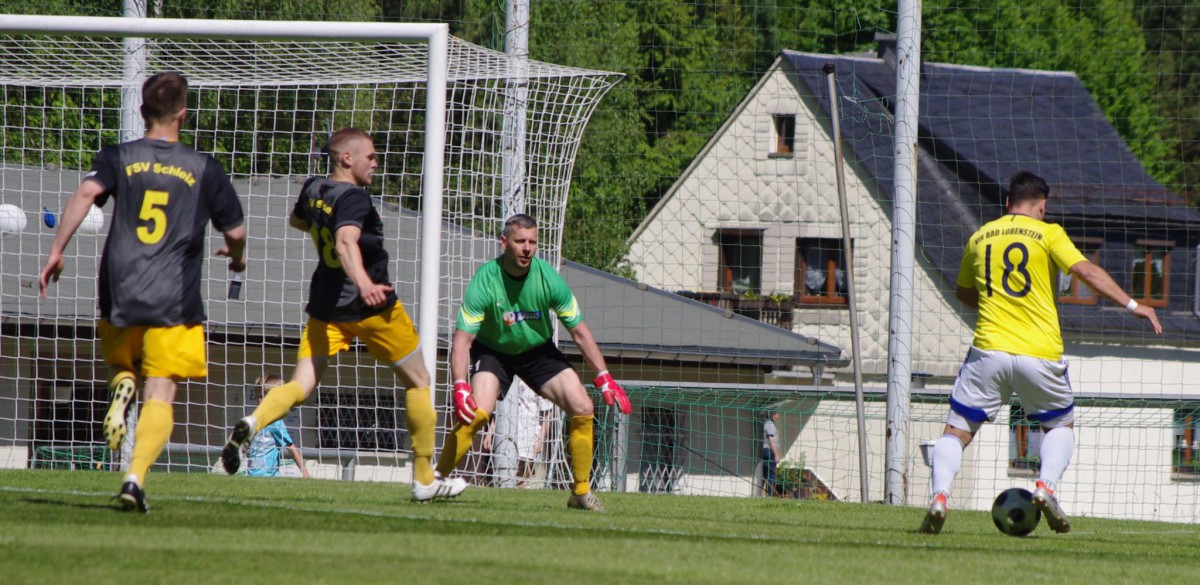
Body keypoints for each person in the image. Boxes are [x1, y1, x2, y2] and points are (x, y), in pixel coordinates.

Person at [38, 72, 247, 513]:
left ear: (141, 112)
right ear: (183, 114)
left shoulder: (120, 156)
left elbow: (86, 192)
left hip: (119, 286)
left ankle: (121, 387)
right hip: (174, 299)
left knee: (121, 366)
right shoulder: (204, 168)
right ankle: (134, 478)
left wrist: (56, 252)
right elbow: (237, 230)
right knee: (161, 393)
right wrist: (237, 256)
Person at [218, 127, 463, 502]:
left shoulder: (314, 189)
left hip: (325, 306)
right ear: (347, 159)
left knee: (300, 386)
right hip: (371, 307)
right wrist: (364, 283)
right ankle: (425, 479)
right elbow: (347, 242)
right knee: (418, 380)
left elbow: (297, 221)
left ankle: (253, 422)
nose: (376, 163)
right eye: (371, 156)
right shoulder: (355, 199)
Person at [920, 171, 1162, 535]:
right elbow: (1086, 271)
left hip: (988, 350)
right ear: (1043, 206)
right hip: (1040, 352)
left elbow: (964, 292)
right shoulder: (1048, 232)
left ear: (1007, 203)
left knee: (956, 431)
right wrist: (1134, 304)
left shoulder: (980, 236)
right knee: (1060, 426)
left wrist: (995, 304)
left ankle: (939, 497)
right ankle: (1045, 487)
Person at [436, 213, 632, 511]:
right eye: (520, 241)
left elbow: (579, 332)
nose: (527, 248)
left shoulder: (548, 278)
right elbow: (462, 341)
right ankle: (435, 480)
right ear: (504, 242)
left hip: (537, 350)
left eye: (532, 242)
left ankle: (580, 493)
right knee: (476, 413)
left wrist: (603, 375)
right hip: (493, 350)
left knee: (583, 407)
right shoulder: (485, 279)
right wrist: (460, 384)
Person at [243, 374, 311, 478]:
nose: (258, 399)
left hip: (268, 477)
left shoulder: (275, 422)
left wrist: (305, 473)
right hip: (251, 475)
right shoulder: (255, 418)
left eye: (262, 396)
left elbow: (291, 448)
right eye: (258, 395)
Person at [762, 410, 780, 496]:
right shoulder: (769, 424)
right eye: (776, 413)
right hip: (769, 451)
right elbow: (771, 440)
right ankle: (769, 495)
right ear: (772, 414)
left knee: (766, 474)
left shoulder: (768, 423)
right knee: (771, 474)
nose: (778, 416)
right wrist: (776, 455)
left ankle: (765, 494)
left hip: (767, 451)